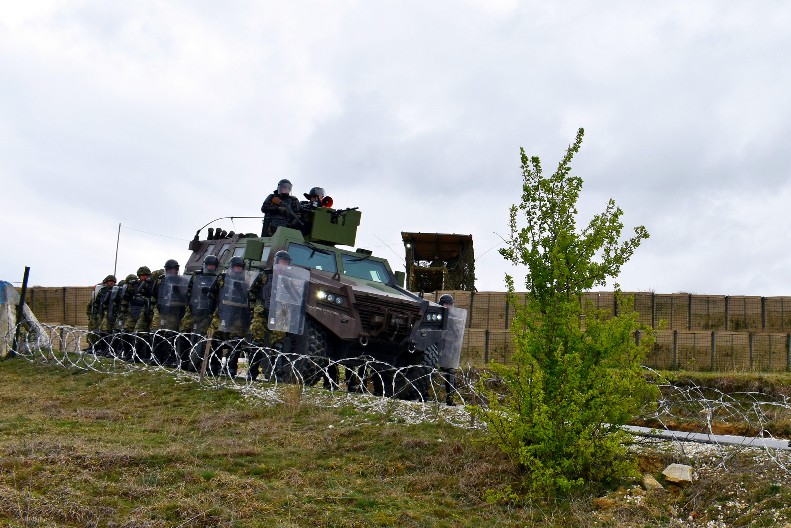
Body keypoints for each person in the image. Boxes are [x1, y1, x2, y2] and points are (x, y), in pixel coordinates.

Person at [248, 250, 294, 381]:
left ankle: (276, 374)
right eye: (282, 262)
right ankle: (252, 372)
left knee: (278, 345)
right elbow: (252, 292)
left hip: (280, 313)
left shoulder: (288, 279)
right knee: (257, 342)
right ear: (276, 261)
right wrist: (253, 310)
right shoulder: (265, 275)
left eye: (286, 263)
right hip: (262, 313)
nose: (284, 265)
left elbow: (293, 297)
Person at [213, 256, 256, 377]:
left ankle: (231, 367)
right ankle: (214, 366)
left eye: (240, 268)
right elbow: (212, 292)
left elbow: (252, 296)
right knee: (216, 340)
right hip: (222, 313)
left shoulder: (247, 281)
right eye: (236, 267)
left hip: (239, 315)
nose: (238, 270)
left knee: (236, 342)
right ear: (231, 267)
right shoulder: (222, 278)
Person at [150, 259, 190, 366]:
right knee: (158, 334)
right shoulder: (160, 280)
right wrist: (152, 308)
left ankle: (169, 358)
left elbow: (186, 297)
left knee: (171, 335)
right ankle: (156, 357)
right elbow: (154, 294)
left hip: (175, 311)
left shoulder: (182, 281)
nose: (172, 272)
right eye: (170, 269)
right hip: (161, 310)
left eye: (174, 269)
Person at [184, 254, 220, 371]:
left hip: (208, 312)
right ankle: (184, 361)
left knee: (204, 340)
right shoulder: (196, 276)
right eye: (209, 265)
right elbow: (189, 291)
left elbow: (219, 295)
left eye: (212, 265)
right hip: (194, 310)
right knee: (186, 335)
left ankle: (199, 364)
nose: (210, 267)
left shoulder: (217, 278)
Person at [119, 266, 155, 362]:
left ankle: (140, 356)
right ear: (139, 276)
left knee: (140, 334)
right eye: (143, 275)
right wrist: (123, 312)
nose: (145, 277)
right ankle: (127, 354)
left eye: (147, 275)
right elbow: (125, 299)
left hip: (145, 311)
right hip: (132, 311)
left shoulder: (151, 285)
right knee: (126, 332)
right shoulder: (133, 285)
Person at [84, 275, 119, 355]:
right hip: (100, 313)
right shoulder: (102, 291)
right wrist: (95, 313)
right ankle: (93, 346)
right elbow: (96, 302)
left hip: (109, 313)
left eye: (113, 282)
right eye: (110, 281)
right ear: (106, 282)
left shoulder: (116, 291)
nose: (111, 283)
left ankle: (104, 348)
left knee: (105, 331)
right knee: (95, 331)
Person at [438, 293, 457, 406]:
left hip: (446, 349)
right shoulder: (438, 315)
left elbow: (456, 333)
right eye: (448, 304)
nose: (450, 306)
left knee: (449, 373)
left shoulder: (450, 318)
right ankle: (423, 396)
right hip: (436, 349)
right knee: (428, 372)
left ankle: (450, 399)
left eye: (451, 304)